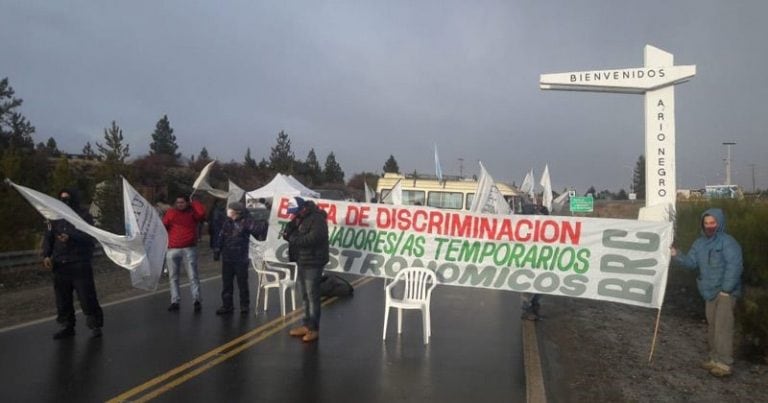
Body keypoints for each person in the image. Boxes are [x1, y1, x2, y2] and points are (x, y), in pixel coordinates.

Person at [671, 208, 743, 377]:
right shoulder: (699, 243)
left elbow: (735, 266)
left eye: (713, 223)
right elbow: (691, 263)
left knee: (723, 328)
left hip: (725, 293)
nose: (709, 226)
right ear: (702, 224)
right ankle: (714, 358)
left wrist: (726, 289)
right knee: (713, 327)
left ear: (719, 223)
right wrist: (676, 255)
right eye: (706, 223)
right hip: (708, 292)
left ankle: (724, 364)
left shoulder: (728, 242)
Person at [42, 189, 103, 339]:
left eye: (67, 199)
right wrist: (46, 255)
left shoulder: (83, 216)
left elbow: (89, 236)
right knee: (63, 300)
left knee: (86, 297)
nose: (65, 202)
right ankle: (67, 326)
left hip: (79, 262)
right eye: (62, 199)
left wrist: (71, 237)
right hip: (60, 263)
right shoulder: (54, 216)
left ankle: (95, 325)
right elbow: (49, 236)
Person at [283, 197, 329, 342]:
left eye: (295, 212)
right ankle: (306, 324)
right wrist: (288, 231)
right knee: (304, 294)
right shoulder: (299, 218)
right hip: (302, 260)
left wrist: (293, 238)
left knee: (312, 295)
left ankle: (313, 328)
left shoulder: (317, 219)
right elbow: (293, 236)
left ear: (303, 208)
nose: (293, 214)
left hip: (313, 262)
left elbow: (313, 239)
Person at [212, 202, 267, 315]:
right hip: (227, 257)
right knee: (227, 283)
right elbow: (221, 236)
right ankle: (227, 305)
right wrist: (217, 250)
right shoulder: (227, 222)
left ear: (237, 212)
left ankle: (244, 305)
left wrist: (263, 222)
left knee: (242, 283)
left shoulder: (246, 222)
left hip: (240, 258)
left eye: (230, 210)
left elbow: (258, 231)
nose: (228, 212)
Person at [163, 194, 206, 312]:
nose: (180, 205)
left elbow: (202, 214)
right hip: (173, 248)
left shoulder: (192, 212)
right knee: (173, 277)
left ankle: (196, 299)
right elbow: (164, 226)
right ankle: (175, 300)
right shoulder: (170, 213)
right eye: (178, 202)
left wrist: (194, 202)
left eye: (182, 202)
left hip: (189, 248)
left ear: (187, 203)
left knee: (192, 275)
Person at [521, 199, 549, 321]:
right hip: (530, 260)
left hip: (540, 260)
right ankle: (527, 311)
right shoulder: (526, 227)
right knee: (529, 287)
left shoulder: (543, 225)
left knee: (540, 286)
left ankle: (534, 309)